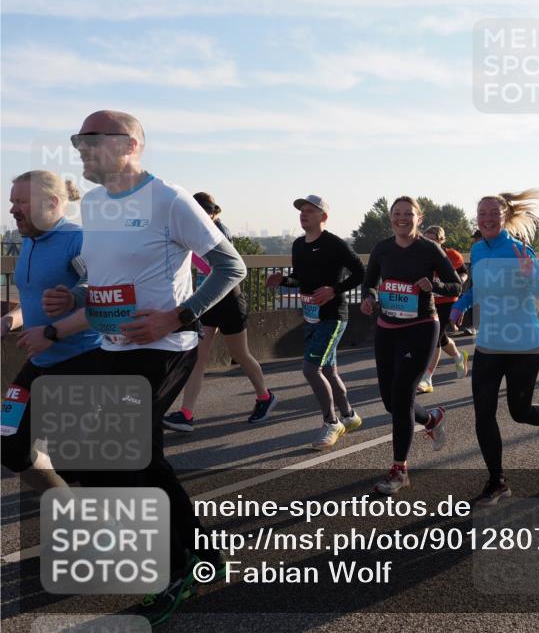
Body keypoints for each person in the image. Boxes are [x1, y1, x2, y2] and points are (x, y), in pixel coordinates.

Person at [38, 110, 247, 625]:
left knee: (115, 455)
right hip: (114, 347)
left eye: (90, 140)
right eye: (77, 140)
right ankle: (201, 559)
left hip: (163, 345)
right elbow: (109, 278)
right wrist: (77, 295)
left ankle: (172, 571)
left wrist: (179, 314)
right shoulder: (94, 203)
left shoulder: (168, 200)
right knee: (137, 461)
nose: (81, 150)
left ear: (129, 145)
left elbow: (232, 266)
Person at [452, 190, 539, 506]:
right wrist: (460, 305)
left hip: (524, 345)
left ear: (504, 217)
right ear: (477, 219)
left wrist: (531, 274)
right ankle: (497, 481)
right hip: (488, 345)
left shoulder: (520, 250)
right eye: (482, 214)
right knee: (483, 414)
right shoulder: (477, 250)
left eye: (493, 213)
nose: (487, 218)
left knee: (519, 413)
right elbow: (478, 288)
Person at [3, 171, 103, 494]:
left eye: (21, 202)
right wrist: (11, 320)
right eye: (12, 201)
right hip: (39, 365)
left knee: (81, 464)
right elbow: (33, 297)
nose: (12, 209)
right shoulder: (29, 242)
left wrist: (52, 329)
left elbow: (102, 291)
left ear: (52, 203)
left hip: (80, 365)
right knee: (7, 440)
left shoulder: (77, 240)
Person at [360, 197, 462, 495]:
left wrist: (436, 287)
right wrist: (369, 299)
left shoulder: (429, 248)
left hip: (420, 328)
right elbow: (369, 283)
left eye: (408, 214)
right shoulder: (382, 248)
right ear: (390, 217)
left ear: (419, 218)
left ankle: (399, 469)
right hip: (387, 328)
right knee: (391, 402)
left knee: (403, 393)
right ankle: (432, 419)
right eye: (397, 214)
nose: (402, 218)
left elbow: (455, 284)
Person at [163, 192, 274, 432]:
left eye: (206, 212)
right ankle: (186, 413)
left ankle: (264, 397)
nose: (201, 216)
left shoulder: (219, 232)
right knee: (198, 359)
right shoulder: (194, 232)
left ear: (213, 213)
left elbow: (214, 265)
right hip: (206, 302)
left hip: (229, 302)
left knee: (240, 354)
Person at [265, 195, 364, 450]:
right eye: (301, 210)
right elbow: (301, 279)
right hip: (311, 316)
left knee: (311, 369)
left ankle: (332, 423)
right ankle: (350, 416)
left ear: (324, 217)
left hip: (333, 316)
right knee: (329, 370)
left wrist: (334, 289)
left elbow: (361, 272)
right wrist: (283, 280)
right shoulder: (298, 245)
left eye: (310, 210)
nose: (303, 214)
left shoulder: (335, 244)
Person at [417, 226, 469, 394]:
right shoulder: (419, 254)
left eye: (433, 239)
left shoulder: (451, 255)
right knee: (441, 336)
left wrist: (459, 280)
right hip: (428, 300)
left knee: (435, 338)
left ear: (441, 240)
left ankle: (427, 377)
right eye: (426, 239)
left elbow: (463, 273)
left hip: (447, 300)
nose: (430, 243)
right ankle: (458, 356)